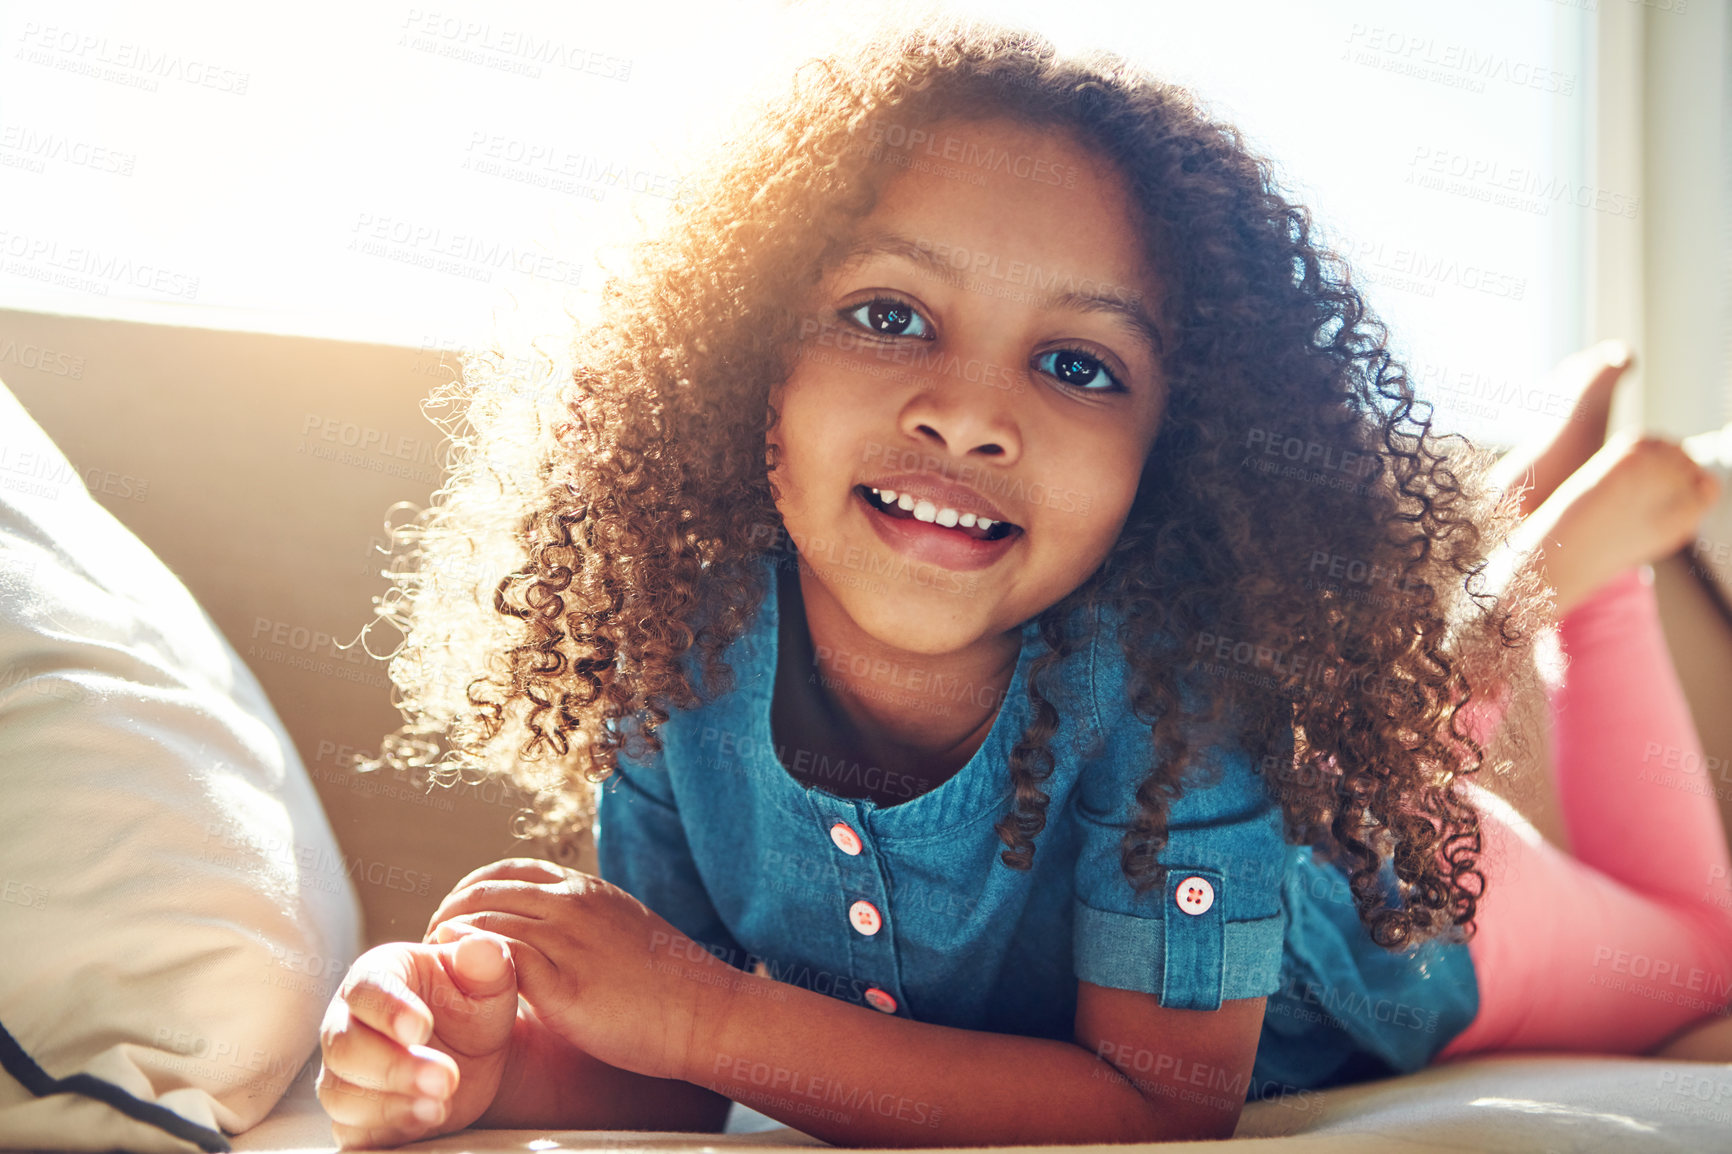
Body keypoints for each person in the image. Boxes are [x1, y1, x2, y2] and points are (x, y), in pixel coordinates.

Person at [311, 18, 1732, 1149]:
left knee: (1697, 945)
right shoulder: (683, 648)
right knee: (1398, 687)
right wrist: (478, 1059)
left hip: (1390, 903)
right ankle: (1515, 543)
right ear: (751, 375)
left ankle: (1590, 557)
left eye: (1076, 364)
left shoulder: (1174, 692)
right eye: (888, 313)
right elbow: (665, 1065)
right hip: (1289, 764)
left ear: (1162, 465)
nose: (969, 414)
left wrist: (692, 1014)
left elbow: (1160, 1101)